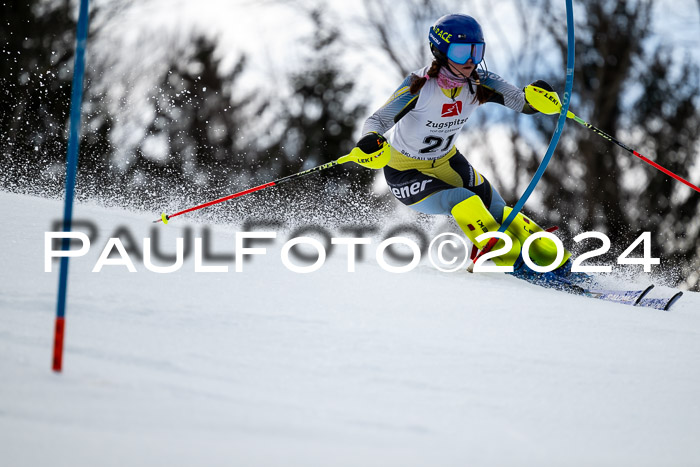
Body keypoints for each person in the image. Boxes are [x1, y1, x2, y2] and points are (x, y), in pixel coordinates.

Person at [355, 13, 574, 279]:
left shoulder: (481, 81)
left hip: (448, 162)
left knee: (500, 210)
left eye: (476, 50)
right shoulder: (420, 85)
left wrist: (539, 98)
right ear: (440, 52)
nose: (470, 60)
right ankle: (517, 264)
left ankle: (557, 262)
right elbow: (377, 119)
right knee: (464, 200)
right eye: (461, 52)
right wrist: (370, 139)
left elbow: (521, 103)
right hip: (405, 172)